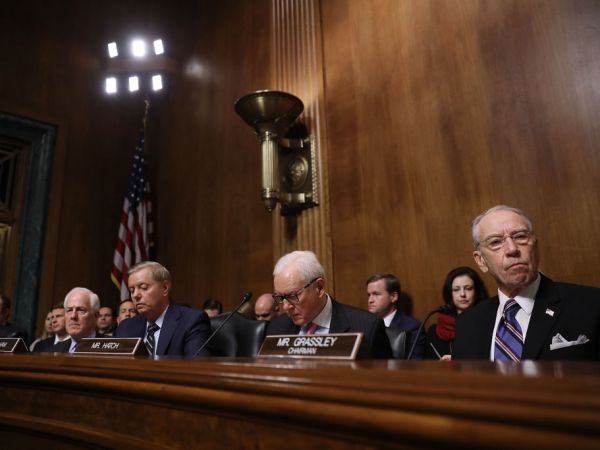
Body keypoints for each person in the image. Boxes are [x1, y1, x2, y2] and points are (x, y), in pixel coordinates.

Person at [454, 205, 600, 361]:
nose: (512, 249)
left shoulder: (592, 305)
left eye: (520, 236)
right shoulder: (467, 324)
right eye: (495, 242)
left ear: (535, 246)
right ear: (481, 260)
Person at [266, 251, 392, 359]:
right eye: (281, 297)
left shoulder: (366, 327)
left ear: (319, 287)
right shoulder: (276, 328)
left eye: (293, 296)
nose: (286, 307)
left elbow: (385, 381)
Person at [115, 261, 211, 357]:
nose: (135, 295)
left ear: (165, 288)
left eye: (143, 288)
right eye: (132, 290)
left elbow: (196, 366)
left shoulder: (191, 321)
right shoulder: (126, 327)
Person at [425, 267, 488, 360]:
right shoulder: (434, 331)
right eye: (456, 289)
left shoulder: (489, 324)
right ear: (449, 293)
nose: (462, 294)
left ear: (477, 291)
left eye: (468, 288)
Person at [366, 274, 425, 359]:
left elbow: (415, 365)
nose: (370, 300)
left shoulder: (413, 327)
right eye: (369, 295)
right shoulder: (364, 324)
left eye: (376, 294)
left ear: (393, 297)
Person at [53, 288, 100, 353]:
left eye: (81, 310)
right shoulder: (53, 350)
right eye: (69, 310)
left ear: (96, 316)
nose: (73, 316)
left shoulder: (115, 349)